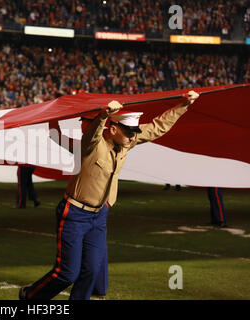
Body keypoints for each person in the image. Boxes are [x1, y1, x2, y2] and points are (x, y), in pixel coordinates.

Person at [19, 90, 200, 300]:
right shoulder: (91, 145)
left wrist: (183, 105)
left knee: (91, 271)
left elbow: (157, 127)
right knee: (67, 273)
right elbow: (90, 134)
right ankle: (30, 296)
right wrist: (103, 115)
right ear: (112, 129)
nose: (133, 136)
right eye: (129, 132)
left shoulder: (125, 141)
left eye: (134, 132)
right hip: (75, 214)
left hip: (98, 215)